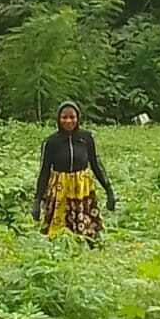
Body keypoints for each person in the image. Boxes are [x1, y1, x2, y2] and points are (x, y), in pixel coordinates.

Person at [32, 101, 116, 242]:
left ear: (78, 118)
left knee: (86, 230)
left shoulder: (86, 138)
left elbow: (96, 165)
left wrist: (109, 191)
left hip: (82, 189)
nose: (68, 121)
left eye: (72, 117)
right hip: (60, 189)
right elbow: (44, 171)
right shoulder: (51, 142)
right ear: (58, 119)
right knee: (58, 232)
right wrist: (37, 201)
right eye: (64, 117)